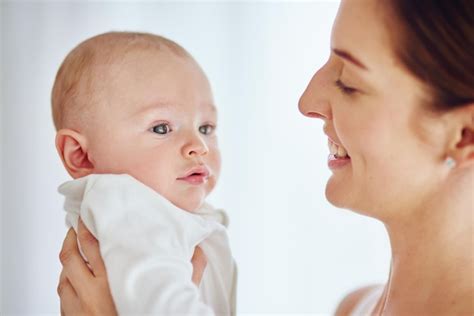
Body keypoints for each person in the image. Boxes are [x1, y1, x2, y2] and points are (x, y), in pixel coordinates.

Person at [57, 0, 474, 315]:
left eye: (348, 81)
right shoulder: (353, 307)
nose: (307, 100)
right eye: (162, 128)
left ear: (464, 135)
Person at [53, 32, 237, 315]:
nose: (199, 146)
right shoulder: (128, 209)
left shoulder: (147, 215)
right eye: (161, 128)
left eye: (206, 128)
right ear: (81, 154)